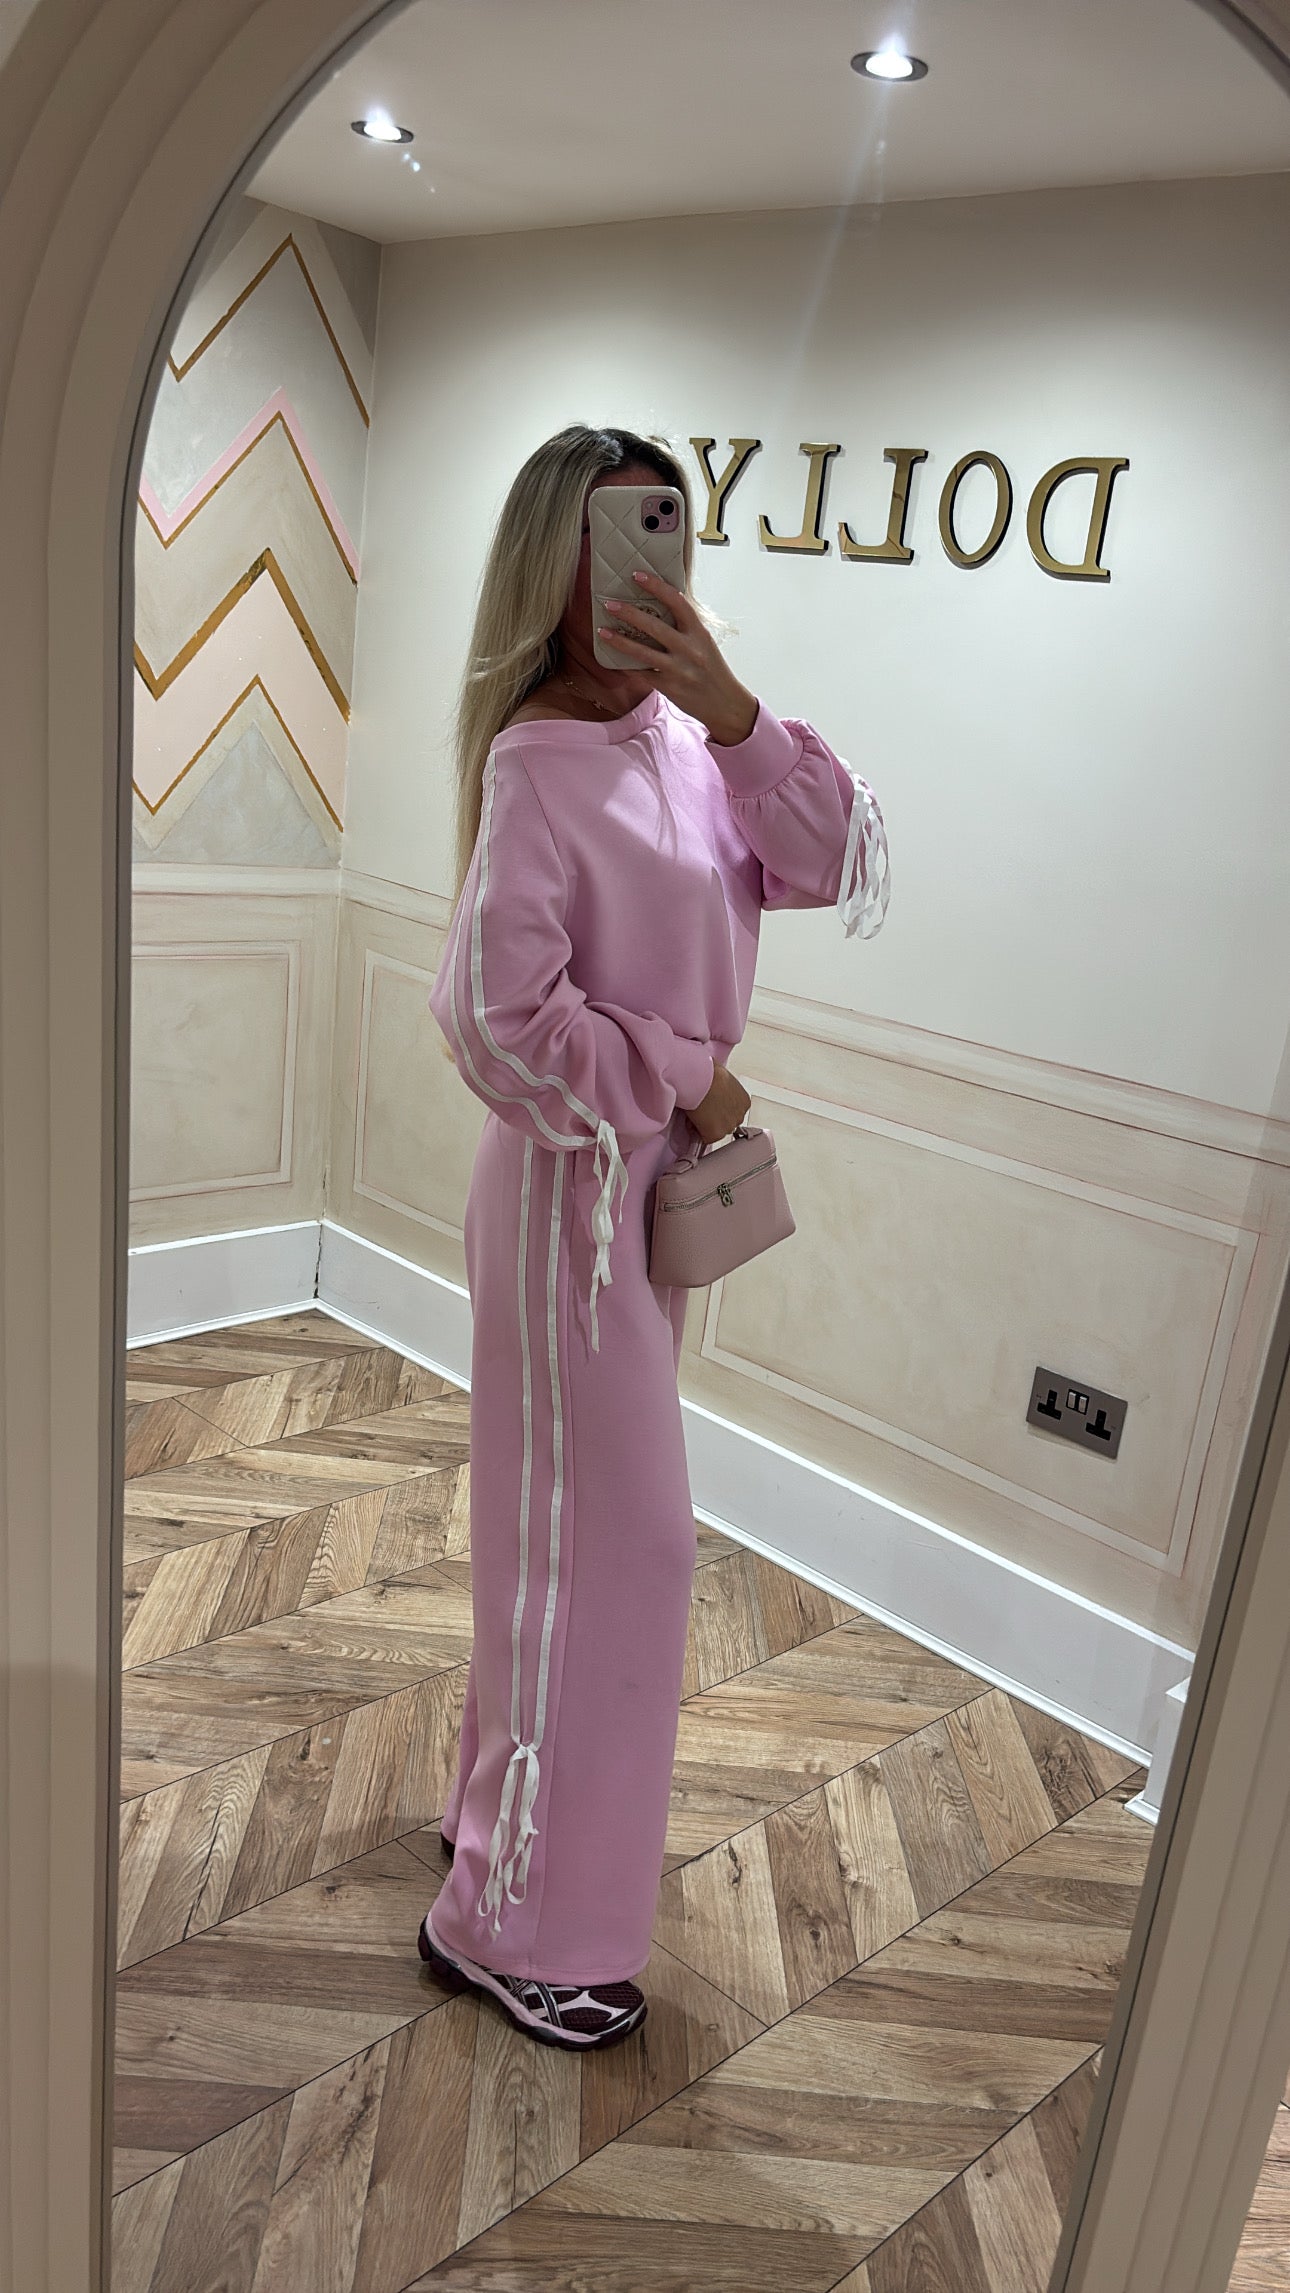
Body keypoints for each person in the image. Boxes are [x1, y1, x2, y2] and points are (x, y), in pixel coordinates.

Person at [419, 423, 889, 2050]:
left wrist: (736, 710)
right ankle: (504, 1921)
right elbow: (496, 1024)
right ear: (551, 568)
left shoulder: (692, 738)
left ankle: (501, 1836)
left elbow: (827, 856)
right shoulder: (535, 760)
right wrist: (684, 1075)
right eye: (611, 542)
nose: (643, 572)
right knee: (620, 1550)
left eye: (663, 535)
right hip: (566, 1204)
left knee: (566, 1547)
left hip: (638, 1203)